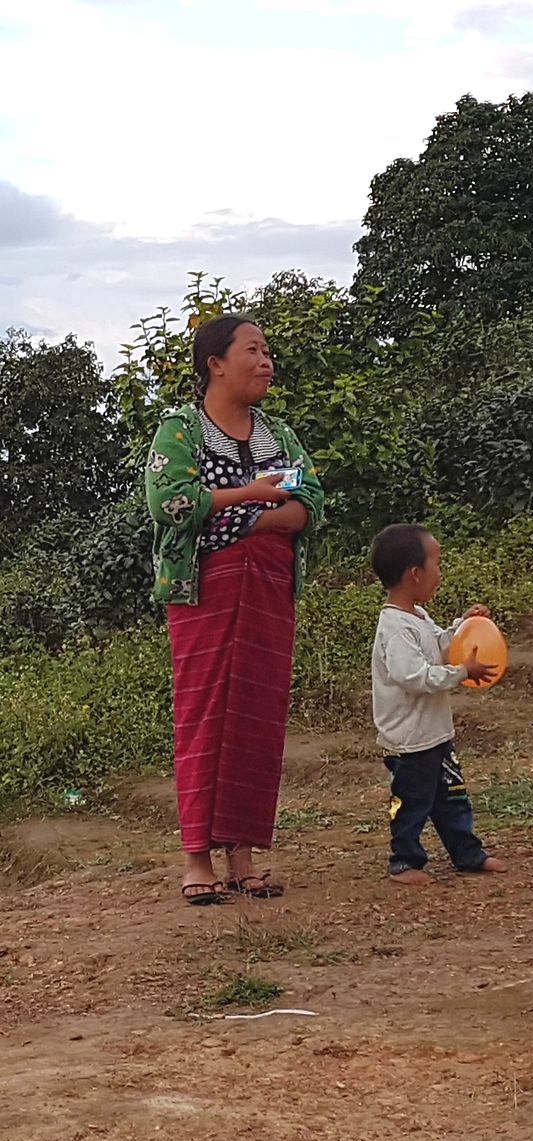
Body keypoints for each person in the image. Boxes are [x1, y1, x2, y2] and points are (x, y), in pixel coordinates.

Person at [145, 314, 324, 905]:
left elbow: (311, 505)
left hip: (271, 587)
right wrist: (253, 497)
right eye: (253, 350)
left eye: (268, 350)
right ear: (214, 363)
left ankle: (243, 855)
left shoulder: (282, 434)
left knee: (256, 714)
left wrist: (249, 516)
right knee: (205, 712)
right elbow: (170, 501)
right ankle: (198, 857)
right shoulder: (181, 429)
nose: (266, 360)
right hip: (205, 591)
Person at [369, 523, 508, 886]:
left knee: (452, 797)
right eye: (437, 564)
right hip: (411, 740)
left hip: (435, 734)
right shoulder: (395, 628)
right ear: (415, 574)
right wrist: (463, 671)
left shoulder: (417, 617)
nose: (440, 573)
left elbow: (439, 646)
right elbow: (415, 676)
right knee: (412, 803)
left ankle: (468, 854)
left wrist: (466, 625)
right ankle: (404, 860)